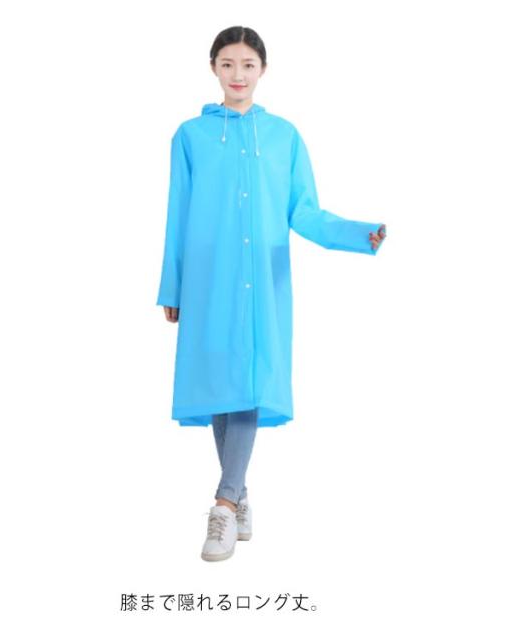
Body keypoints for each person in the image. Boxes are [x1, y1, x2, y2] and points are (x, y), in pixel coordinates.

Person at [156, 26, 387, 562]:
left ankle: (223, 503)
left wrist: (359, 234)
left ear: (263, 69)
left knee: (250, 382)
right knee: (220, 385)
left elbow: (303, 211)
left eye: (248, 65)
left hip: (262, 277)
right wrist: (173, 284)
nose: (238, 75)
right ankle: (238, 495)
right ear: (213, 68)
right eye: (228, 64)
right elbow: (177, 213)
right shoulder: (189, 136)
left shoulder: (284, 137)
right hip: (208, 277)